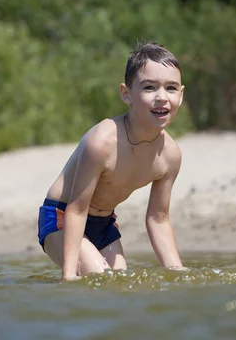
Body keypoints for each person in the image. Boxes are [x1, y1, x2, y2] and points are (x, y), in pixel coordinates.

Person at [37, 41, 188, 280]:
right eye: (149, 88)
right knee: (101, 278)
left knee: (119, 284)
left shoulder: (170, 156)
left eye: (171, 88)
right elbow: (77, 209)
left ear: (180, 95)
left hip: (104, 223)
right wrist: (68, 276)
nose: (162, 97)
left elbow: (158, 219)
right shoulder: (103, 142)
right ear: (126, 94)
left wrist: (178, 273)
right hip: (63, 217)